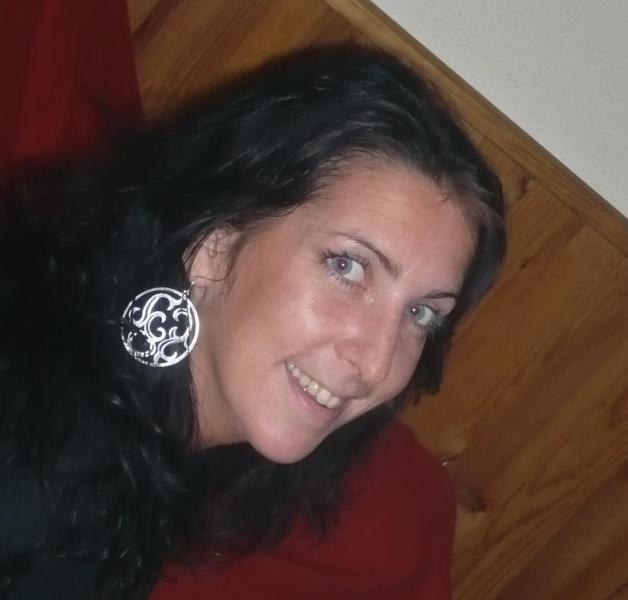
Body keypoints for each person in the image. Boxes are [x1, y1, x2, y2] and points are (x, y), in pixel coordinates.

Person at [0, 43, 506, 599]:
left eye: (420, 313)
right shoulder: (48, 467)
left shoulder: (138, 422)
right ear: (214, 246)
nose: (375, 363)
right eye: (347, 266)